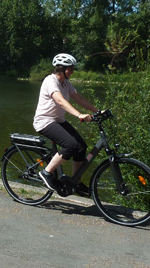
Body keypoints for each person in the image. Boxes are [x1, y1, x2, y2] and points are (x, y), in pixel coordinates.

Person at [33, 53, 98, 196]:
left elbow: (79, 98)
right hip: (45, 121)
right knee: (71, 145)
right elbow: (61, 101)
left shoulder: (66, 83)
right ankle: (46, 172)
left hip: (58, 121)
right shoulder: (50, 81)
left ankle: (76, 182)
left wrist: (97, 111)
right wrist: (79, 115)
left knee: (81, 147)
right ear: (61, 69)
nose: (73, 71)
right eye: (70, 69)